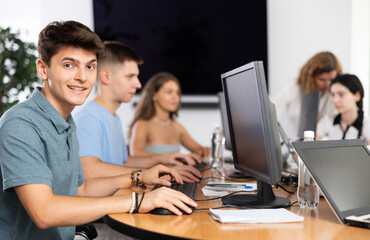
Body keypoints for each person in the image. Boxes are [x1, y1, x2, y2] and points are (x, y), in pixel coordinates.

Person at [0, 21, 197, 240]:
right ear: (43, 69)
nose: (83, 77)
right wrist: (137, 201)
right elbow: (44, 212)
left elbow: (81, 190)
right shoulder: (20, 123)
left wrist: (138, 177)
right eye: (69, 65)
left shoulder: (65, 123)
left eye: (90, 66)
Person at [74, 41, 201, 183]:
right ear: (106, 77)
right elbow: (90, 170)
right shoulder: (89, 118)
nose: (138, 84)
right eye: (130, 76)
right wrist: (148, 174)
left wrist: (162, 160)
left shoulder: (113, 117)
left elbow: (123, 164)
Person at [129, 72, 211, 162]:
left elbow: (199, 149)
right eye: (169, 92)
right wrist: (176, 157)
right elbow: (135, 153)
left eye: (177, 93)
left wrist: (204, 151)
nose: (175, 97)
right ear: (154, 95)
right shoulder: (142, 125)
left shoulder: (177, 127)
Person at [274, 51, 342, 138]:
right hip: (291, 144)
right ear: (311, 77)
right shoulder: (293, 88)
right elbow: (271, 112)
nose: (327, 85)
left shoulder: (335, 94)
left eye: (331, 79)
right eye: (322, 79)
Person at [316, 74, 370, 144]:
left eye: (341, 94)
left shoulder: (366, 124)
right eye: (333, 95)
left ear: (357, 96)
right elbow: (308, 145)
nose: (334, 100)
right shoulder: (329, 119)